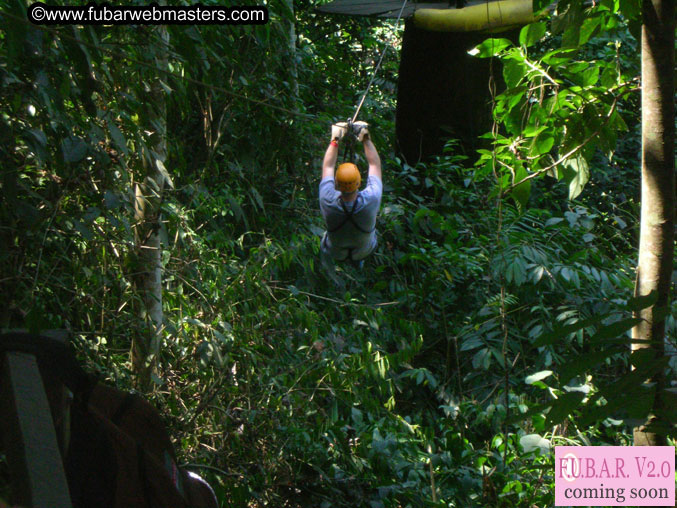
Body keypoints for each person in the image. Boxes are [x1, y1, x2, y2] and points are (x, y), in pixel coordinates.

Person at [319, 121, 382, 272]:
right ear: (359, 183)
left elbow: (327, 167)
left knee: (331, 236)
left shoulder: (327, 198)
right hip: (363, 250)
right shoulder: (371, 199)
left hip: (335, 251)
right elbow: (374, 165)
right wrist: (365, 137)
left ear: (336, 183)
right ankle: (358, 260)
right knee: (370, 231)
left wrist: (335, 140)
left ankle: (336, 265)